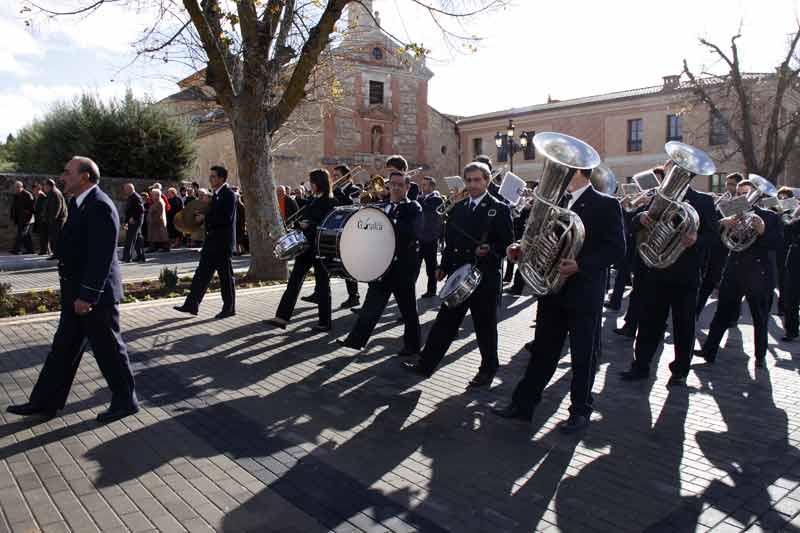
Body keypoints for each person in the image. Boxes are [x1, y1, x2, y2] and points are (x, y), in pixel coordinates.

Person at [493, 165, 625, 432]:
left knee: (583, 354)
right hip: (552, 290)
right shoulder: (555, 203)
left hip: (585, 292)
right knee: (543, 349)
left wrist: (581, 264)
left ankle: (580, 411)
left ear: (577, 172)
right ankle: (524, 404)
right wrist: (521, 248)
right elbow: (540, 237)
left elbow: (617, 250)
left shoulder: (606, 204)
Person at [6, 156, 138, 423]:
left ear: (85, 177)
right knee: (63, 350)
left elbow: (100, 257)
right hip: (75, 294)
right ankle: (44, 402)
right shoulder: (79, 204)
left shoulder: (100, 205)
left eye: (68, 173)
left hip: (93, 297)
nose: (63, 177)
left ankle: (126, 401)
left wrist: (87, 295)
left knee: (109, 350)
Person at [403, 161, 514, 387]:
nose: (472, 185)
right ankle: (425, 365)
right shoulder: (459, 208)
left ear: (487, 181)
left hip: (485, 277)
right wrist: (443, 266)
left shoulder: (499, 208)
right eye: (469, 180)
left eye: (477, 180)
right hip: (458, 276)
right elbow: (451, 243)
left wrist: (491, 250)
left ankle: (488, 370)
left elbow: (507, 244)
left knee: (485, 326)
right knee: (445, 322)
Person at [619, 184, 718, 386]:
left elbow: (713, 236)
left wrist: (696, 238)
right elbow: (633, 223)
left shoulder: (703, 201)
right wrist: (641, 218)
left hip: (686, 275)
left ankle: (680, 371)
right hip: (656, 271)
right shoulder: (659, 197)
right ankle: (640, 365)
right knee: (649, 323)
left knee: (684, 326)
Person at [695, 178, 783, 369]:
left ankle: (760, 356)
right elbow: (714, 237)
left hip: (759, 274)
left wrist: (762, 231)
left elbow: (776, 243)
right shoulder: (730, 211)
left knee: (759, 318)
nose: (743, 197)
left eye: (747, 193)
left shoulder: (770, 217)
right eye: (740, 193)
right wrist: (723, 224)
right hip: (734, 270)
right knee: (721, 314)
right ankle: (709, 350)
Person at [339, 170, 423, 353]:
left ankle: (413, 347)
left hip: (403, 267)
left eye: (400, 185)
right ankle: (355, 341)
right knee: (371, 306)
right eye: (392, 184)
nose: (395, 188)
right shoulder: (381, 206)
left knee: (408, 310)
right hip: (382, 267)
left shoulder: (413, 207)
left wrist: (388, 221)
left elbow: (413, 232)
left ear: (408, 187)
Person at [267, 169, 335, 331]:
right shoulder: (312, 200)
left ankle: (325, 322)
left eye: (311, 182)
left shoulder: (331, 202)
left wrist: (309, 225)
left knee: (323, 285)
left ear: (318, 183)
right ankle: (282, 317)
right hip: (304, 247)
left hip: (319, 248)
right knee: (293, 282)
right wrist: (297, 225)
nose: (310, 185)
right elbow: (304, 219)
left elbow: (328, 224)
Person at [174, 166, 237, 319]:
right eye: (211, 176)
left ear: (222, 178)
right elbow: (214, 214)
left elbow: (225, 219)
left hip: (222, 244)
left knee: (225, 278)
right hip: (212, 242)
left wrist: (204, 218)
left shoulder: (229, 195)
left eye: (213, 176)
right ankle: (191, 304)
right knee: (201, 274)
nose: (210, 179)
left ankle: (229, 308)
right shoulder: (215, 195)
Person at [697, 172, 742, 315]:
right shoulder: (722, 201)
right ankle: (696, 310)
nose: (728, 187)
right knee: (709, 279)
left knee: (734, 285)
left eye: (732, 184)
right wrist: (721, 218)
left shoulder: (744, 202)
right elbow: (712, 222)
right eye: (727, 184)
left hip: (736, 247)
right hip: (718, 246)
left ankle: (732, 316)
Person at [332, 165, 361, 309]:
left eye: (337, 176)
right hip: (336, 229)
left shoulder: (355, 190)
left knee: (348, 264)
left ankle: (354, 296)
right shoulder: (334, 190)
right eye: (334, 176)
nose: (335, 178)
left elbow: (353, 206)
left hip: (350, 230)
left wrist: (339, 193)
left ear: (346, 176)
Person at [416, 176, 444, 298]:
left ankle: (431, 290)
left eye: (425, 185)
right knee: (414, 266)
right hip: (419, 237)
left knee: (431, 267)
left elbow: (427, 208)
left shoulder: (436, 199)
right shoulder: (420, 198)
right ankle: (408, 290)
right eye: (421, 185)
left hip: (430, 238)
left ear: (432, 187)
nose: (422, 187)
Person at [782, 205, 800, 341]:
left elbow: (788, 226)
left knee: (791, 297)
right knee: (791, 297)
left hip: (796, 257)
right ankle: (791, 330)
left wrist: (795, 213)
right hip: (795, 258)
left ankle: (791, 331)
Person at [43, 179, 67, 260]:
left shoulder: (54, 193)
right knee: (55, 237)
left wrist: (52, 219)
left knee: (56, 238)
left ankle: (57, 254)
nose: (44, 187)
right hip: (56, 219)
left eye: (45, 185)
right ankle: (56, 254)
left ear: (49, 185)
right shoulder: (53, 192)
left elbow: (56, 208)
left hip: (57, 220)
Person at [121, 183, 146, 263]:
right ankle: (140, 256)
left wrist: (133, 218)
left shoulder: (136, 197)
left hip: (135, 221)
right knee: (137, 239)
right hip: (133, 221)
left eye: (125, 189)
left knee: (130, 238)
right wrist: (126, 221)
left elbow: (141, 210)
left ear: (130, 189)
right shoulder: (131, 197)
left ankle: (127, 257)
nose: (124, 191)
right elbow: (129, 211)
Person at [10, 181, 35, 254]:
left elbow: (32, 208)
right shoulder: (16, 195)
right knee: (26, 235)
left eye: (18, 187)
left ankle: (16, 249)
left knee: (20, 234)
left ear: (22, 187)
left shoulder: (27, 195)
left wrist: (28, 215)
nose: (16, 189)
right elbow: (13, 207)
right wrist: (12, 217)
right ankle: (30, 250)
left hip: (26, 219)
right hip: (19, 218)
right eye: (15, 187)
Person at [32, 183, 48, 255]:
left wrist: (42, 217)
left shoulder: (43, 197)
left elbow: (44, 209)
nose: (34, 191)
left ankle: (44, 250)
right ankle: (44, 250)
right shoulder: (37, 196)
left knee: (43, 235)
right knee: (41, 235)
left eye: (35, 189)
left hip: (42, 219)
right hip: (38, 219)